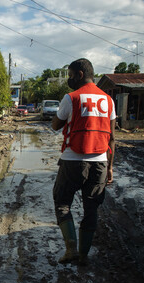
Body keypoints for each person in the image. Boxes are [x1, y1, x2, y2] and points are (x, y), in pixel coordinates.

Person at [51, 58, 116, 265]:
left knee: (62, 202)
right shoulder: (108, 100)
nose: (69, 79)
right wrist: (110, 167)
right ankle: (84, 255)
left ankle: (71, 250)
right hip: (100, 162)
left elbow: (55, 125)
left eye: (70, 75)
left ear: (80, 74)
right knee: (91, 208)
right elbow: (112, 138)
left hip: (72, 160)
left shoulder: (71, 98)